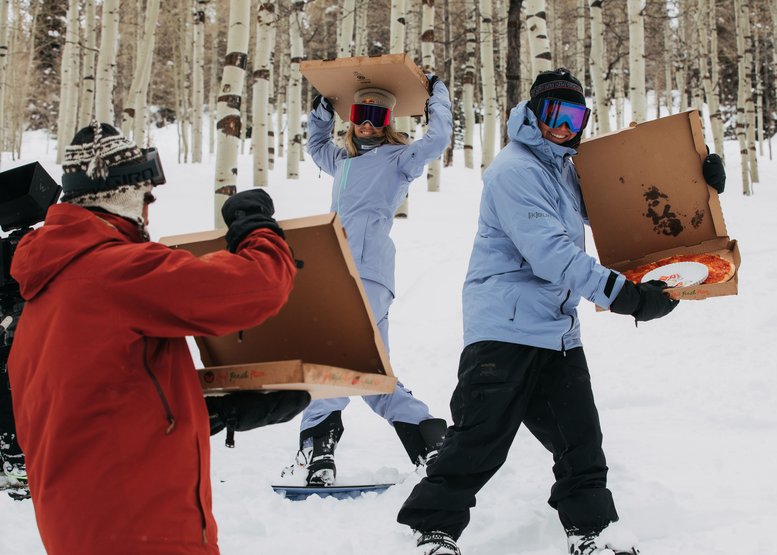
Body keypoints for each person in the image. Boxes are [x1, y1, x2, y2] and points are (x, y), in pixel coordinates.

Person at [396, 68, 727, 555]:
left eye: (575, 115)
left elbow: (630, 206)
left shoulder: (566, 169)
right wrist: (627, 297)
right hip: (504, 330)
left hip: (558, 332)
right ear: (533, 113)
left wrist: (696, 180)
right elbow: (552, 255)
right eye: (554, 113)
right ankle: (432, 532)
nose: (563, 125)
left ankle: (592, 532)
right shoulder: (515, 171)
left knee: (581, 444)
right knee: (479, 440)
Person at [8, 122, 311, 555]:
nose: (150, 211)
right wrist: (256, 227)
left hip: (82, 525)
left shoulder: (46, 290)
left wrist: (209, 415)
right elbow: (258, 286)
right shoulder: (115, 269)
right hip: (140, 527)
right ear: (124, 196)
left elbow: (92, 408)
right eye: (147, 197)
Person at [292, 76, 454, 486]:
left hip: (368, 272)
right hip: (338, 273)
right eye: (360, 115)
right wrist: (320, 114)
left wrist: (439, 99)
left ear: (387, 120)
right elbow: (315, 148)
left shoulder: (398, 159)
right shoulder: (342, 161)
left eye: (376, 116)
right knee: (372, 374)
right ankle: (431, 440)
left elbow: (436, 141)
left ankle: (319, 452)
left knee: (333, 360)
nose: (367, 124)